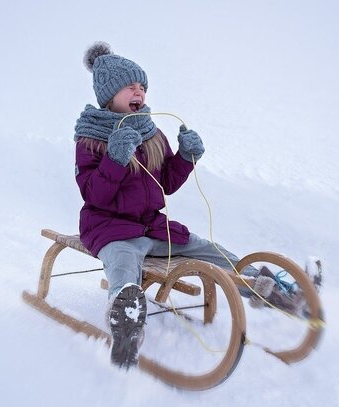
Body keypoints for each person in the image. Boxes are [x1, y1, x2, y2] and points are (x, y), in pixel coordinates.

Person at [73, 42, 307, 369]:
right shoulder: (90, 139)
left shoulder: (151, 133)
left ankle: (268, 288)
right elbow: (93, 193)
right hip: (111, 230)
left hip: (153, 227)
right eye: (130, 86)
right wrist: (114, 158)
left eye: (142, 86)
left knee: (208, 249)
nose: (139, 92)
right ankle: (126, 319)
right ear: (110, 94)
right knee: (123, 262)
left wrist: (186, 157)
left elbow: (166, 182)